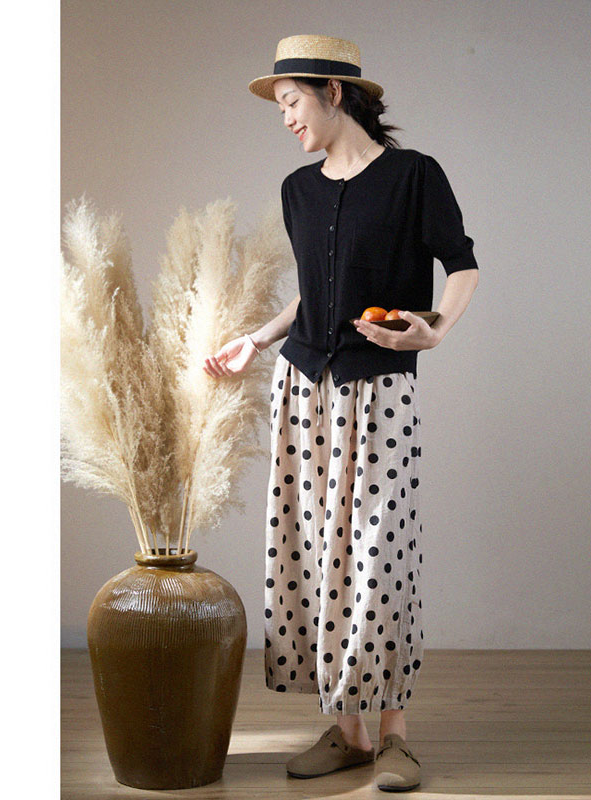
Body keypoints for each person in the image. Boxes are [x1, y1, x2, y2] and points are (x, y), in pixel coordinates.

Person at [203, 34, 479, 792]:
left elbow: (461, 264)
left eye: (292, 102)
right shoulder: (298, 189)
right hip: (302, 388)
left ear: (333, 92)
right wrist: (256, 339)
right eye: (280, 108)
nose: (286, 118)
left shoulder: (414, 176)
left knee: (379, 554)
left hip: (378, 387)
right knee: (313, 553)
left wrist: (435, 330)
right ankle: (348, 732)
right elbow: (317, 291)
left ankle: (394, 737)